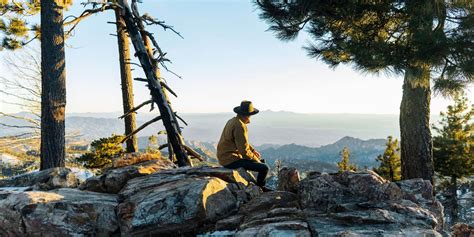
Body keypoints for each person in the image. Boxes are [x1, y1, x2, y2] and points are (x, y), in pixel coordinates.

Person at [217, 101, 270, 191]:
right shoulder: (240, 126)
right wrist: (256, 160)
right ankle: (261, 189)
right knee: (264, 168)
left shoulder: (233, 120)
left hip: (223, 157)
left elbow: (242, 142)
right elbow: (244, 152)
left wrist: (253, 151)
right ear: (248, 115)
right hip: (230, 160)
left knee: (260, 162)